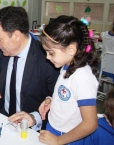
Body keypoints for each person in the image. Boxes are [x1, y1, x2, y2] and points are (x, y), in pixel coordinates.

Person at [0, 6, 59, 130]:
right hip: (4, 118)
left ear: (16, 36)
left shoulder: (48, 59)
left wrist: (35, 117)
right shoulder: (5, 51)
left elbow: (58, 101)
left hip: (31, 128)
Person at [36, 15, 99, 144]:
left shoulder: (82, 77)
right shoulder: (67, 65)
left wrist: (59, 140)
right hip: (54, 129)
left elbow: (90, 124)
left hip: (68, 137)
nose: (47, 57)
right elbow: (69, 95)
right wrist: (52, 101)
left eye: (51, 52)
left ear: (71, 49)